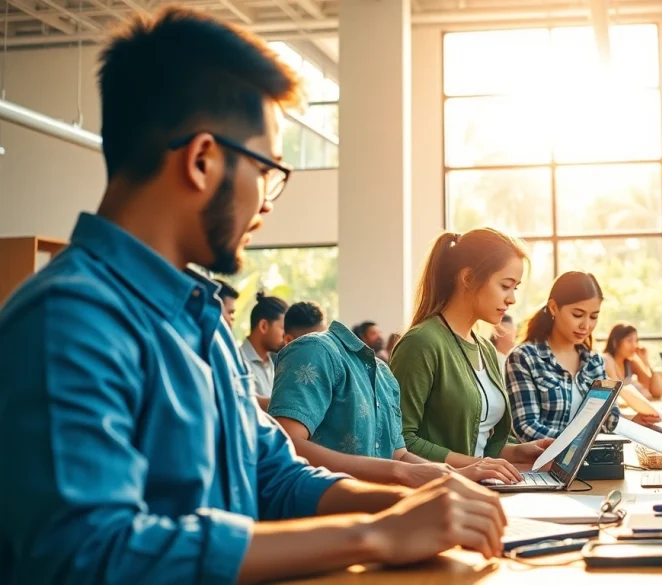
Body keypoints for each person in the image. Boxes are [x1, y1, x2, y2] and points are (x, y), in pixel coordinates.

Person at [0, 9, 508, 584]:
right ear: (201, 160)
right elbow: (90, 553)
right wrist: (375, 535)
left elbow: (272, 474)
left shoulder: (200, 320)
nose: (268, 203)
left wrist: (405, 498)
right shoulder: (68, 321)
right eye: (268, 171)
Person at [270, 320, 524, 486]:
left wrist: (454, 476)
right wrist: (402, 473)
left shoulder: (383, 373)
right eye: (505, 285)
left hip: (378, 512)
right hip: (326, 518)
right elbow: (287, 446)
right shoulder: (317, 350)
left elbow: (398, 453)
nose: (511, 298)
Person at [390, 229, 554, 474]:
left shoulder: (485, 347)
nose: (511, 300)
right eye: (505, 286)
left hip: (480, 486)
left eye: (515, 288)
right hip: (438, 493)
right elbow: (400, 442)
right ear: (467, 278)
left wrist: (519, 451)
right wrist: (475, 466)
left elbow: (481, 445)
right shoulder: (421, 343)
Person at [505, 272, 657, 442]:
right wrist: (579, 444)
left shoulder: (594, 362)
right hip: (543, 464)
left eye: (594, 316)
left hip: (592, 461)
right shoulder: (524, 358)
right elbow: (526, 427)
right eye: (577, 315)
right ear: (554, 308)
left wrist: (630, 424)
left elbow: (608, 418)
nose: (586, 325)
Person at [241, 291, 287, 408]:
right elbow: (245, 403)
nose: (286, 336)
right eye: (283, 329)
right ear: (263, 326)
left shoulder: (273, 362)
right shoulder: (238, 361)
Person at [603, 322, 662, 400]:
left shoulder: (630, 363)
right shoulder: (607, 360)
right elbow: (616, 393)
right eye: (629, 341)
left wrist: (646, 362)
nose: (634, 345)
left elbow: (658, 392)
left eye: (636, 341)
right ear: (615, 343)